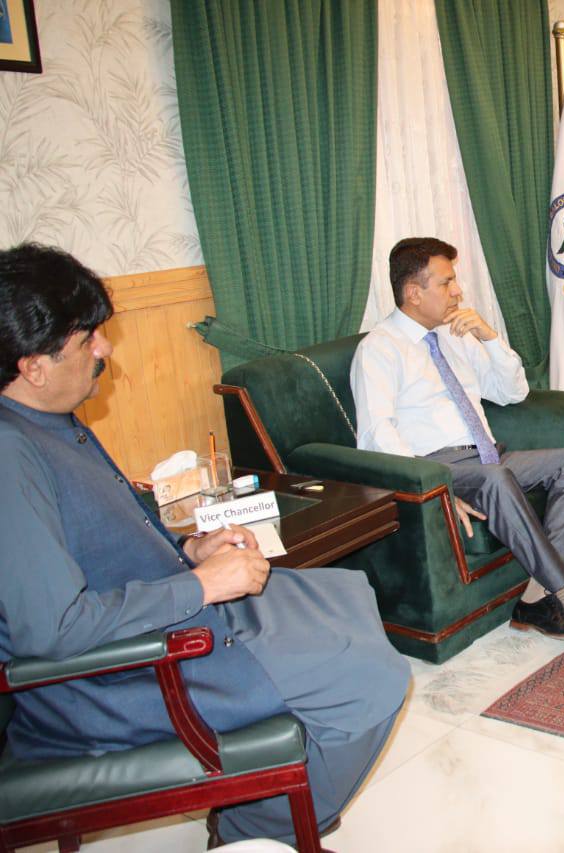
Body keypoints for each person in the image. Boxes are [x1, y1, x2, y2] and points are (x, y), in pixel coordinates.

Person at [0, 243, 410, 848]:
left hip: (165, 617)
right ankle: (253, 831)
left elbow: (96, 532)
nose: (104, 350)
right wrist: (200, 585)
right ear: (34, 366)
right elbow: (53, 631)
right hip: (132, 675)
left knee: (350, 594)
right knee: (375, 681)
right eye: (88, 339)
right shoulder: (10, 457)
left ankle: (269, 798)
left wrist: (191, 549)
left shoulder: (49, 419)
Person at [350, 237, 564, 645]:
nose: (458, 291)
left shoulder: (453, 335)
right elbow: (376, 435)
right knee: (496, 478)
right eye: (446, 282)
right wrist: (434, 488)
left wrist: (488, 338)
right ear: (413, 293)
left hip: (489, 458)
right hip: (441, 467)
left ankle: (536, 599)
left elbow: (512, 392)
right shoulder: (379, 349)